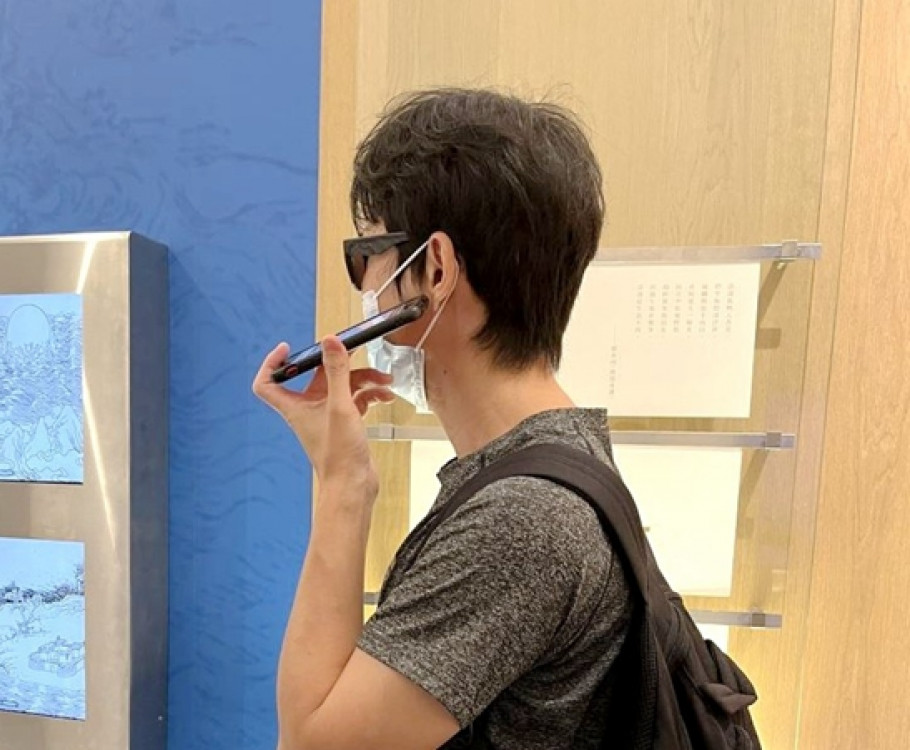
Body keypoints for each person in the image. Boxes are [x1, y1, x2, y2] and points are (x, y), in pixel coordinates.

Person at [253, 88, 632, 750]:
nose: (363, 285)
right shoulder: (553, 464)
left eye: (366, 252)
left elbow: (311, 744)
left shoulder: (521, 522)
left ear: (435, 269)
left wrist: (344, 486)